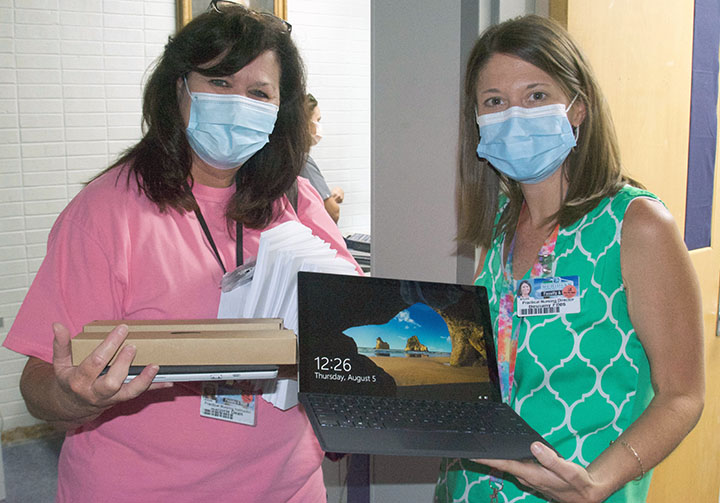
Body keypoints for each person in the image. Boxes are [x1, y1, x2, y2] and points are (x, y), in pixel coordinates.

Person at [3, 4, 358, 502]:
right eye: (219, 82)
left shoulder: (297, 202)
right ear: (179, 89)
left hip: (288, 487)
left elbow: (347, 335)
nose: (239, 103)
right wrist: (72, 395)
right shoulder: (106, 213)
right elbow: (38, 380)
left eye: (259, 93)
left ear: (281, 110)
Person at [435, 15, 704, 503]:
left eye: (536, 95)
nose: (514, 115)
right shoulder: (498, 225)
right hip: (469, 490)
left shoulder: (636, 225)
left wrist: (598, 482)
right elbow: (486, 367)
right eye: (494, 102)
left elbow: (682, 394)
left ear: (577, 108)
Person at [300, 93, 345, 223]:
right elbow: (332, 213)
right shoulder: (302, 162)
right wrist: (331, 200)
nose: (319, 127)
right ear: (306, 124)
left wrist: (328, 196)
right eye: (317, 121)